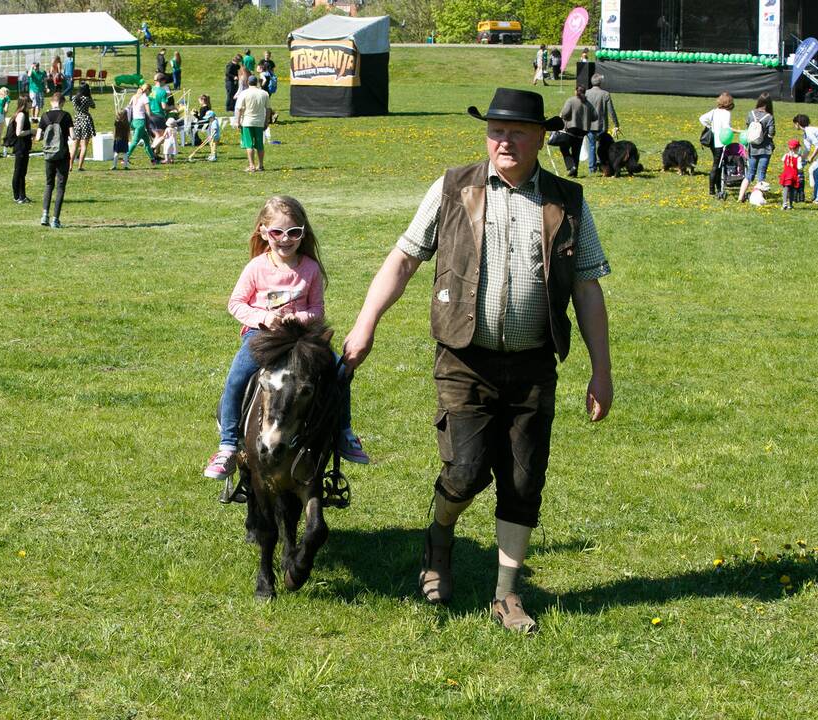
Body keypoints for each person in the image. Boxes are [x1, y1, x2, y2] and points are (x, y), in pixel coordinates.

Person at [341, 88, 613, 634]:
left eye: (516, 132)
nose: (504, 141)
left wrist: (601, 369)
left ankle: (506, 595)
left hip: (534, 362)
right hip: (464, 358)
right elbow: (404, 258)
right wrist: (365, 323)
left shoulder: (568, 200)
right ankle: (439, 539)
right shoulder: (451, 188)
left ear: (541, 138)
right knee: (463, 474)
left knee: (522, 480)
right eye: (496, 131)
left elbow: (586, 287)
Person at [203, 195, 371, 483]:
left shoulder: (310, 268)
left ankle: (344, 432)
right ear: (263, 232)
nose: (285, 239)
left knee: (340, 370)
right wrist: (264, 318)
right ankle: (228, 445)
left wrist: (301, 319)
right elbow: (236, 304)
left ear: (303, 233)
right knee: (236, 377)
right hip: (263, 336)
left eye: (293, 232)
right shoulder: (256, 267)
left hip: (302, 338)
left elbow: (317, 310)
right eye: (277, 232)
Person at [38, 92, 74, 228]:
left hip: (48, 156)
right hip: (62, 155)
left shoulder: (45, 116)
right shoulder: (66, 116)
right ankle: (55, 219)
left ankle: (44, 215)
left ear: (51, 102)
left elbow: (37, 137)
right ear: (62, 102)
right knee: (60, 187)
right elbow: (73, 135)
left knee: (48, 185)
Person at [738, 92, 776, 202]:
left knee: (749, 173)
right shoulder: (769, 117)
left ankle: (740, 197)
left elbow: (747, 130)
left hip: (752, 148)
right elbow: (771, 133)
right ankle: (759, 198)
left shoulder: (751, 114)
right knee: (761, 174)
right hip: (765, 149)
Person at [699, 92, 735, 196]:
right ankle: (713, 189)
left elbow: (702, 118)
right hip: (721, 141)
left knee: (717, 165)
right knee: (717, 166)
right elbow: (727, 128)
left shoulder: (714, 111)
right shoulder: (726, 113)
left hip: (712, 141)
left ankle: (717, 188)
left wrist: (710, 126)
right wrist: (738, 131)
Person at [794, 113, 818, 204]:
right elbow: (807, 150)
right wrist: (800, 160)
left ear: (798, 123)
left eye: (795, 124)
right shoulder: (805, 134)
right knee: (816, 171)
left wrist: (811, 157)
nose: (794, 126)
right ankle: (816, 196)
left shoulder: (809, 131)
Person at [234, 75, 271, 173]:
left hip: (247, 121)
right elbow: (268, 109)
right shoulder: (264, 93)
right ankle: (261, 165)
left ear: (247, 83)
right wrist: (266, 121)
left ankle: (252, 165)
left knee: (249, 145)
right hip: (259, 121)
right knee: (260, 145)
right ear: (257, 82)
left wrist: (237, 121)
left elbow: (239, 109)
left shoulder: (244, 93)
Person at [584, 74, 619, 175]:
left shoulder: (586, 93)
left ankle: (592, 168)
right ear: (600, 82)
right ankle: (602, 164)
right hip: (601, 126)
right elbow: (611, 111)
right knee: (602, 146)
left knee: (591, 146)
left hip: (589, 125)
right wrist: (616, 124)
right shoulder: (605, 94)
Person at [558, 85, 595, 177]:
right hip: (582, 131)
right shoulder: (588, 104)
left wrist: (562, 116)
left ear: (576, 91)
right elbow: (595, 116)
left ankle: (571, 166)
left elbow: (565, 113)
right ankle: (575, 172)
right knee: (576, 151)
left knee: (564, 147)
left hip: (571, 129)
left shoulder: (571, 100)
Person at [10, 95, 35, 204]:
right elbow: (18, 133)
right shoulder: (21, 115)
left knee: (23, 172)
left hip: (24, 146)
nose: (32, 103)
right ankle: (17, 196)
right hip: (20, 146)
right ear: (25, 103)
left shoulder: (25, 114)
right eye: (30, 101)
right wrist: (31, 131)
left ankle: (23, 195)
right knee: (18, 171)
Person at [126, 82, 157, 166]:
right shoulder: (145, 98)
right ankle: (126, 157)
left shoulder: (134, 96)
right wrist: (158, 115)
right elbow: (149, 113)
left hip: (134, 122)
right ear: (147, 90)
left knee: (147, 141)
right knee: (134, 142)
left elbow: (129, 107)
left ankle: (153, 159)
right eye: (149, 92)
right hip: (140, 123)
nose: (149, 93)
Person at [70, 82, 96, 171]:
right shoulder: (87, 99)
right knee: (84, 145)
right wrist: (90, 96)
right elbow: (93, 106)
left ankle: (70, 166)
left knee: (74, 145)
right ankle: (80, 166)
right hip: (85, 120)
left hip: (77, 120)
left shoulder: (74, 98)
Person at [778, 139, 802, 210]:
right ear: (797, 148)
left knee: (785, 189)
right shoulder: (798, 157)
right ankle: (790, 204)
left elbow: (783, 160)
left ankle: (784, 203)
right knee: (792, 190)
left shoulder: (786, 155)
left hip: (786, 174)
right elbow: (799, 167)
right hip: (793, 175)